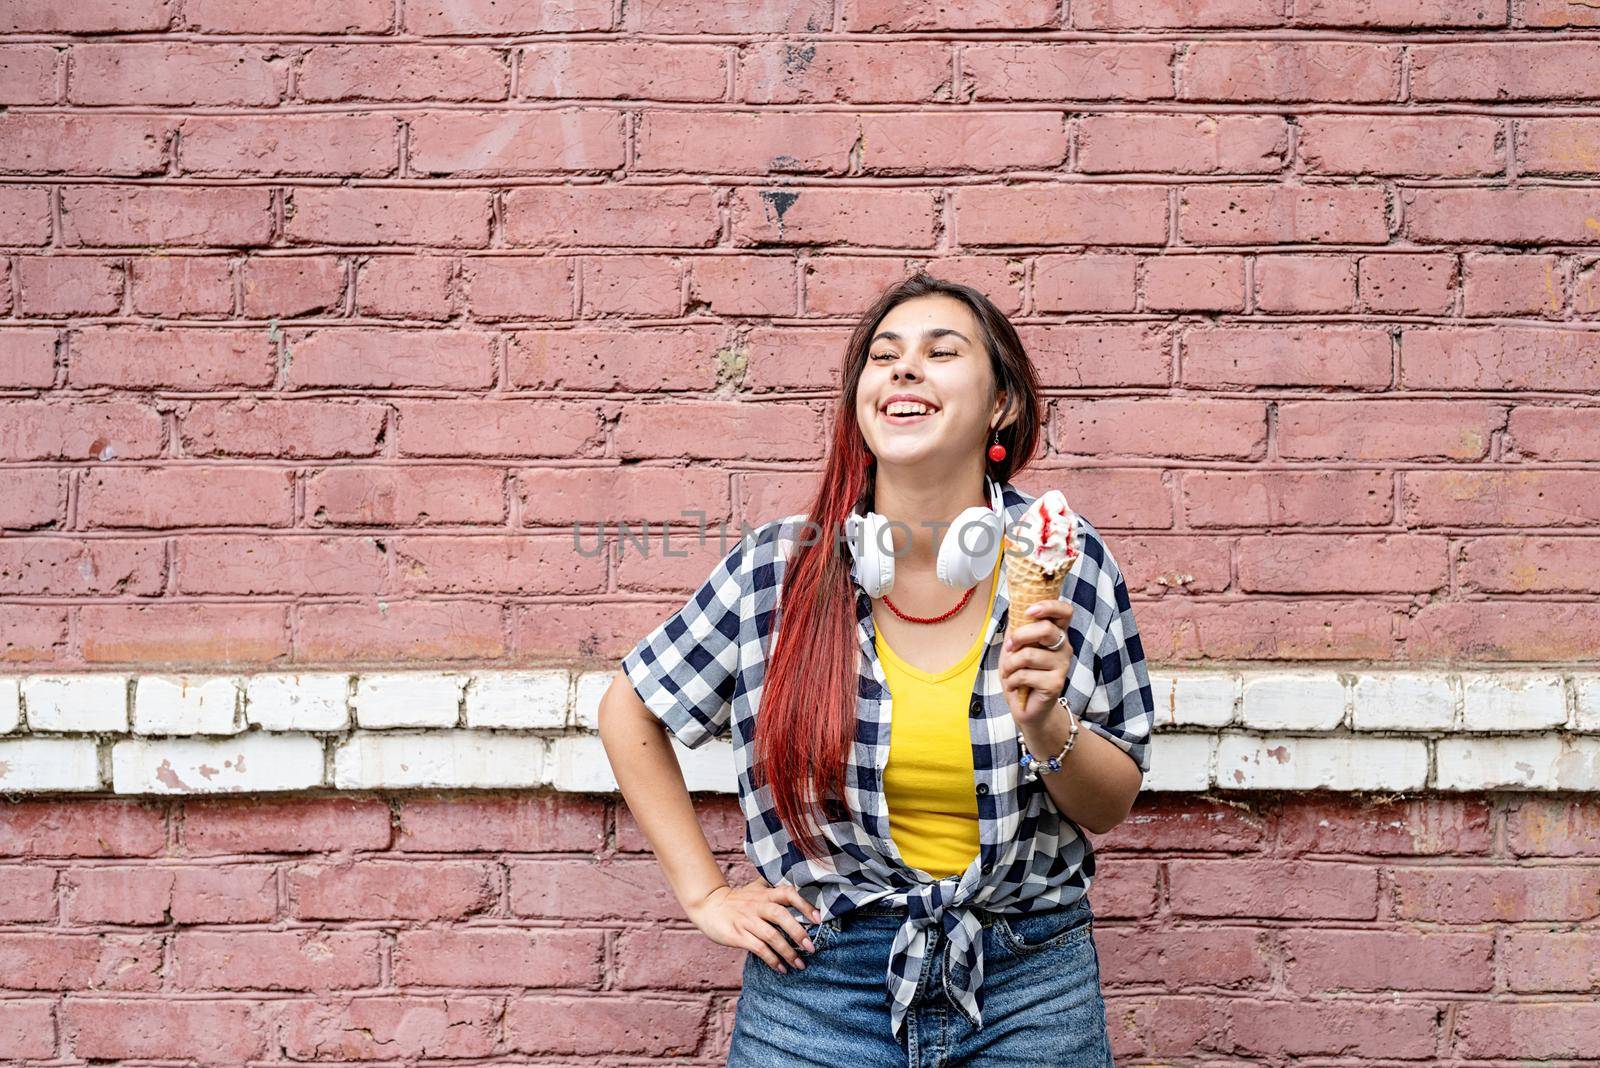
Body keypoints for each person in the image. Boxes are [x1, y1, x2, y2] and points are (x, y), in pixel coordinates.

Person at [598, 272, 1155, 1067]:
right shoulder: (780, 571)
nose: (903, 368)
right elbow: (630, 708)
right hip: (818, 988)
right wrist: (707, 895)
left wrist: (1045, 722)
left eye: (941, 351)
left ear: (1001, 404)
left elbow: (1112, 801)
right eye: (884, 355)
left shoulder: (1064, 558)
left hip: (1030, 988)